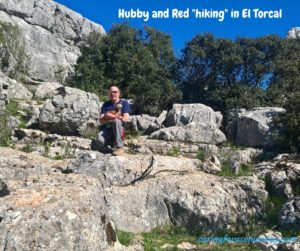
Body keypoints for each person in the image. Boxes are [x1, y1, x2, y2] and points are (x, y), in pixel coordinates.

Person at [97, 85, 131, 156]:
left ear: (119, 93)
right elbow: (101, 120)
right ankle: (112, 143)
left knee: (116, 121)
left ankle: (119, 147)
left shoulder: (124, 103)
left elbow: (126, 118)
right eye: (111, 92)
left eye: (115, 92)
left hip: (119, 128)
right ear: (109, 94)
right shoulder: (106, 104)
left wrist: (112, 117)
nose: (113, 94)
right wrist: (108, 116)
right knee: (99, 140)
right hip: (108, 129)